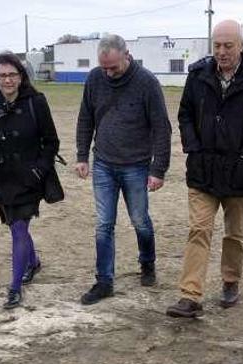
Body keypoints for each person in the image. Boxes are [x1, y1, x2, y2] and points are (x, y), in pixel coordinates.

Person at [165, 20, 243, 318]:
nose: (222, 52)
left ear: (242, 44)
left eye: (228, 45)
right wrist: (193, 146)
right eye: (217, 45)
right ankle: (190, 295)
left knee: (234, 233)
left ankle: (230, 280)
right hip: (203, 170)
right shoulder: (198, 75)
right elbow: (185, 115)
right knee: (199, 230)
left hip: (239, 171)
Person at [74, 34, 172, 305]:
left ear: (127, 55)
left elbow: (162, 128)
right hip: (103, 163)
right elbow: (86, 118)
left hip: (137, 166)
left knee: (140, 221)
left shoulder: (147, 83)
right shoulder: (95, 79)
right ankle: (104, 281)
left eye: (113, 67)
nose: (108, 72)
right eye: (104, 67)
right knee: (104, 224)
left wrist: (158, 169)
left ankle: (147, 263)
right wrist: (82, 155)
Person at [0, 52, 61, 309]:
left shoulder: (36, 101)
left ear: (21, 76)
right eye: (2, 75)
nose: (7, 80)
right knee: (16, 226)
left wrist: (38, 171)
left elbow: (51, 142)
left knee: (18, 229)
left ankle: (14, 287)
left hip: (28, 180)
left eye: (12, 74)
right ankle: (32, 262)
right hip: (1, 178)